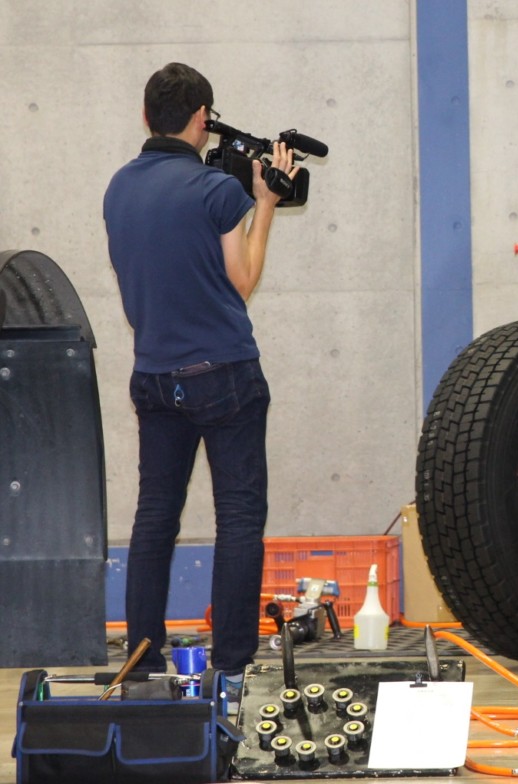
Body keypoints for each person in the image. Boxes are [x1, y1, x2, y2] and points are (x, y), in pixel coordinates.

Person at [103, 63, 299, 685]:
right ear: (202, 119)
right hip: (225, 375)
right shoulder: (215, 192)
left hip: (155, 377)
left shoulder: (118, 189)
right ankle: (232, 666)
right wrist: (265, 202)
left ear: (145, 117)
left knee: (155, 516)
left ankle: (141, 658)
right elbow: (241, 281)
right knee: (238, 516)